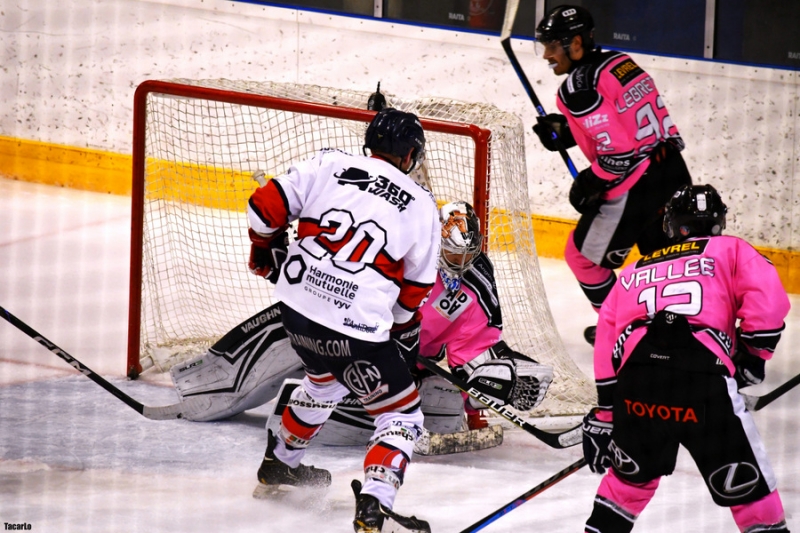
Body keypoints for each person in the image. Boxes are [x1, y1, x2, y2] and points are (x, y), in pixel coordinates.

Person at [245, 106, 439, 533]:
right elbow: (416, 290)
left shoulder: (329, 162)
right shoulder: (422, 204)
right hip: (355, 331)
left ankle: (280, 463)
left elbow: (264, 208)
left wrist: (265, 248)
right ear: (410, 155)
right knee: (402, 417)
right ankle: (375, 503)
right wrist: (399, 331)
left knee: (325, 381)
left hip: (296, 313)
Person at [580, 184, 791, 532]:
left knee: (629, 482)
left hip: (639, 382)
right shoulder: (732, 250)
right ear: (718, 223)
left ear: (672, 224)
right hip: (701, 381)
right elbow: (768, 303)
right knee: (746, 488)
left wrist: (606, 412)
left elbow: (607, 338)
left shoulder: (635, 269)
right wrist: (753, 358)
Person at [532, 5, 692, 345]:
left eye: (552, 45)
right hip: (673, 172)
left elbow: (618, 154)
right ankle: (673, 336)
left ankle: (626, 328)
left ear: (575, 43)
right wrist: (570, 131)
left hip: (638, 183)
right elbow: (624, 123)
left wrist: (593, 180)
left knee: (583, 257)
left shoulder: (576, 87)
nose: (546, 55)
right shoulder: (620, 62)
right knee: (663, 263)